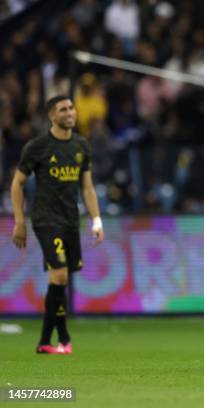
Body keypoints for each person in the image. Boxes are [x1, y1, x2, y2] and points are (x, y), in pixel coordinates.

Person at [11, 95, 104, 354]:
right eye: (63, 109)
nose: (70, 112)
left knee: (59, 278)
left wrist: (96, 219)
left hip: (70, 220)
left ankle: (48, 342)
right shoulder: (38, 146)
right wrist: (20, 221)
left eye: (71, 107)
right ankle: (63, 337)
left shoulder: (80, 146)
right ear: (52, 115)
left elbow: (87, 187)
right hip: (45, 219)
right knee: (60, 273)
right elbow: (17, 183)